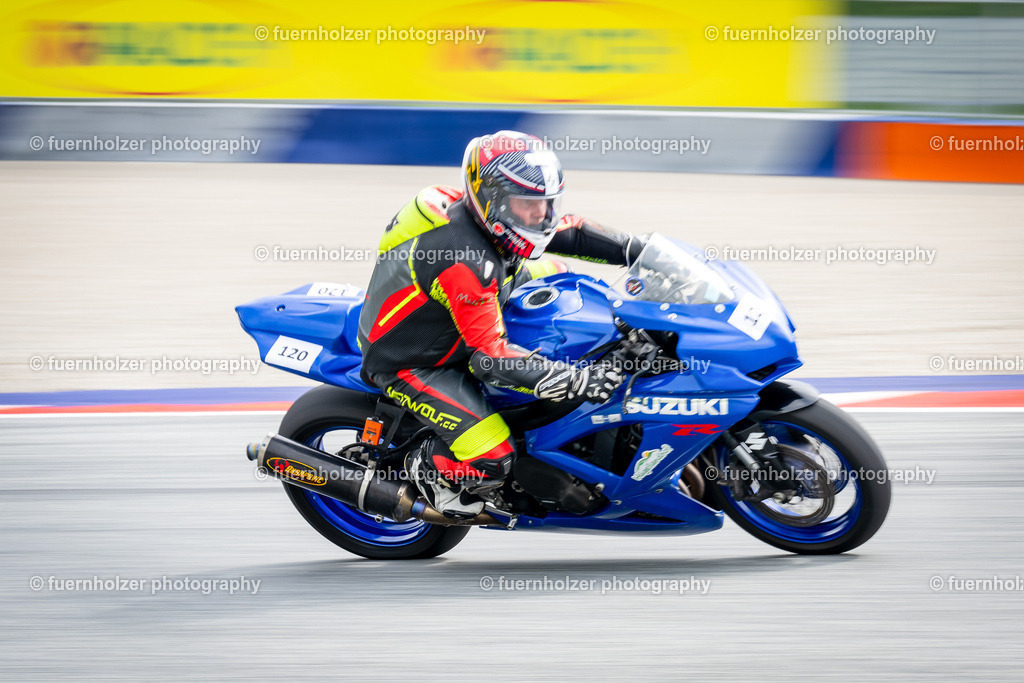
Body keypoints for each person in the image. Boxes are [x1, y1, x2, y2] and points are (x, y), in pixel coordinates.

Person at [357, 130, 643, 518]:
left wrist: (642, 250)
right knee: (494, 458)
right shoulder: (466, 263)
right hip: (415, 361)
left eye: (547, 203)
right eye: (529, 204)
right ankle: (427, 470)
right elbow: (490, 359)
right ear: (492, 200)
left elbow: (570, 231)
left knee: (567, 281)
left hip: (468, 302)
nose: (541, 216)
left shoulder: (490, 217)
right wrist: (580, 382)